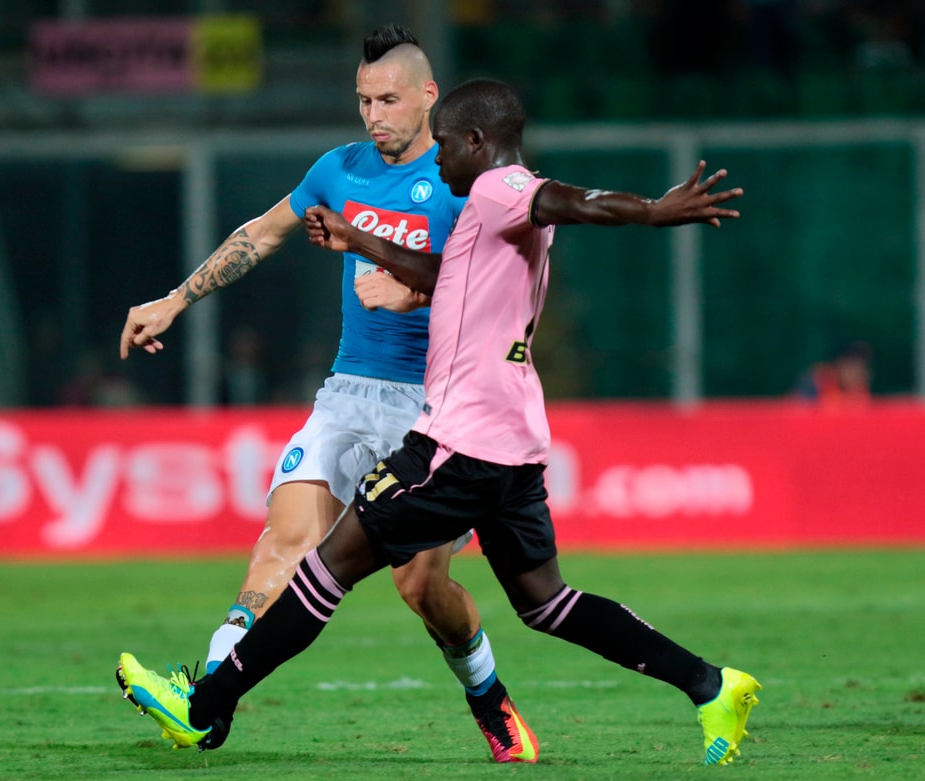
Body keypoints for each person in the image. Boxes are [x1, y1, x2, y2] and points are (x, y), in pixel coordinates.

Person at [117, 78, 763, 767]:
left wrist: (652, 211)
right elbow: (444, 270)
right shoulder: (490, 213)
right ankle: (711, 685)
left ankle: (201, 709)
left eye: (449, 145)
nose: (441, 157)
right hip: (514, 445)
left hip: (457, 445)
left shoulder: (500, 187)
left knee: (327, 570)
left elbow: (567, 200)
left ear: (477, 142)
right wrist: (357, 238)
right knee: (546, 602)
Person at [117, 27, 538, 762]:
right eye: (364, 100)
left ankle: (488, 697)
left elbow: (496, 288)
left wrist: (412, 294)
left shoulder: (468, 180)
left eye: (389, 100)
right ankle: (206, 699)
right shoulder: (338, 169)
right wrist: (176, 299)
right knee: (281, 543)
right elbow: (263, 233)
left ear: (429, 97)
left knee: (422, 586)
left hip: (438, 408)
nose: (374, 115)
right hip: (347, 393)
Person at [795, 339, 872, 408]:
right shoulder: (820, 381)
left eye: (861, 368)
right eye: (851, 366)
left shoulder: (861, 394)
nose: (857, 373)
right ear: (839, 364)